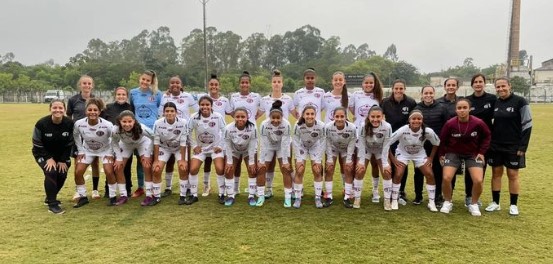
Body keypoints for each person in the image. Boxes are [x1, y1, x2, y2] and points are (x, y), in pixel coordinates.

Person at [485, 77, 532, 216]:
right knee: (496, 173)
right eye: (498, 87)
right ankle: (495, 203)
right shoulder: (496, 102)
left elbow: (527, 125)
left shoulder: (520, 101)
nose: (500, 89)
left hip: (514, 145)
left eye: (503, 86)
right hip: (496, 145)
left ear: (509, 86)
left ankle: (513, 204)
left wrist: (522, 147)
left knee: (512, 174)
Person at [439, 99, 491, 216]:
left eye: (464, 108)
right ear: (456, 110)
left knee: (478, 180)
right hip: (453, 153)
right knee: (447, 177)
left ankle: (473, 204)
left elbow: (487, 136)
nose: (462, 110)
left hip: (472, 154)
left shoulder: (478, 123)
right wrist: (441, 154)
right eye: (459, 108)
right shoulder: (450, 123)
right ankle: (447, 201)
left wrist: (481, 152)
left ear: (469, 109)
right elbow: (442, 140)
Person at [383, 110, 440, 212]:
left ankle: (431, 202)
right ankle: (394, 200)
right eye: (414, 119)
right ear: (409, 120)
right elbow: (387, 142)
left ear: (422, 120)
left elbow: (437, 143)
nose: (416, 121)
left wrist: (430, 157)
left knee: (429, 174)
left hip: (419, 154)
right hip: (403, 153)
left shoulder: (427, 131)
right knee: (399, 173)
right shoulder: (403, 130)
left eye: (419, 119)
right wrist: (393, 159)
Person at [158, 76, 198, 198]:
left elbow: (197, 111)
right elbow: (160, 113)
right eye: (172, 82)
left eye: (177, 82)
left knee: (186, 161)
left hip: (184, 133)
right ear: (169, 84)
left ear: (181, 84)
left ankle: (188, 187)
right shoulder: (165, 97)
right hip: (169, 133)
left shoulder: (188, 96)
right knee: (169, 161)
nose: (175, 84)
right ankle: (168, 187)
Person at [32, 99, 74, 214]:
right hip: (42, 154)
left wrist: (62, 160)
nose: (57, 110)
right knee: (51, 171)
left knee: (62, 172)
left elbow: (70, 143)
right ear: (50, 109)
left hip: (61, 155)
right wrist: (48, 158)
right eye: (55, 108)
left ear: (64, 110)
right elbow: (36, 143)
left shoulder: (69, 123)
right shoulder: (41, 123)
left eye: (60, 108)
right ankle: (52, 204)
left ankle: (50, 197)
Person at [73, 98, 116, 208]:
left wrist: (110, 153)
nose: (92, 112)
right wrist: (81, 150)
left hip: (105, 150)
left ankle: (112, 197)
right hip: (87, 150)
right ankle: (83, 197)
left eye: (95, 110)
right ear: (86, 111)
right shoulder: (79, 124)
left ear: (99, 112)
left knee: (109, 171)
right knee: (78, 171)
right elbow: (76, 136)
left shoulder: (107, 125)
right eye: (90, 110)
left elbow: (114, 138)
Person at [258, 70, 294, 199]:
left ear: (282, 84)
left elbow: (295, 114)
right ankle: (268, 189)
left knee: (286, 164)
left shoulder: (288, 99)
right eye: (274, 82)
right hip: (269, 137)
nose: (276, 84)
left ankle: (293, 190)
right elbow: (258, 115)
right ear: (271, 84)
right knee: (269, 165)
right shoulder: (265, 99)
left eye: (279, 82)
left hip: (284, 136)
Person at [349, 72, 383, 203]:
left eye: (371, 83)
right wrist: (359, 120)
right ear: (362, 84)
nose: (368, 85)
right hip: (359, 133)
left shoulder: (378, 96)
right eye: (366, 82)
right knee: (358, 162)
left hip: (374, 133)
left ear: (374, 84)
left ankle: (375, 190)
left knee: (374, 163)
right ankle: (353, 189)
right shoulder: (356, 95)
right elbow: (352, 109)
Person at [381, 79, 417, 205]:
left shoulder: (411, 102)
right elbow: (379, 117)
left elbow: (414, 119)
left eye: (401, 88)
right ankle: (389, 190)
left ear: (404, 89)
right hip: (389, 138)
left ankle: (400, 191)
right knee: (389, 164)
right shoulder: (385, 102)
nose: (398, 91)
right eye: (396, 88)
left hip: (404, 139)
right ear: (392, 89)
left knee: (402, 165)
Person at [67, 75, 101, 200]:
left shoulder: (96, 100)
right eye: (84, 83)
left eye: (89, 83)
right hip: (78, 136)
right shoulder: (73, 100)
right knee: (78, 162)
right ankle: (78, 190)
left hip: (93, 135)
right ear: (80, 85)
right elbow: (69, 116)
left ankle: (95, 190)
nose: (86, 85)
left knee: (95, 162)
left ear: (92, 85)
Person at [413, 85, 449, 206]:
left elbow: (446, 127)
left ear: (434, 94)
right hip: (420, 146)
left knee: (437, 171)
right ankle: (418, 196)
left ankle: (437, 196)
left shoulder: (442, 107)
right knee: (418, 171)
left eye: (430, 93)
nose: (428, 95)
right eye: (426, 93)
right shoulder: (417, 108)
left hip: (437, 146)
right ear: (421, 94)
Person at [129, 70, 162, 198]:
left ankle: (154, 186)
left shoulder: (157, 94)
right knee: (140, 160)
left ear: (152, 82)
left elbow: (158, 109)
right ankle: (141, 187)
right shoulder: (133, 93)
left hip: (152, 131)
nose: (145, 82)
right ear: (140, 78)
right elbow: (131, 110)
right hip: (138, 132)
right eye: (143, 79)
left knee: (153, 160)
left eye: (148, 80)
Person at [464, 73, 496, 206]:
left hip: (485, 140)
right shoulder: (467, 100)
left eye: (480, 81)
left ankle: (476, 196)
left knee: (481, 167)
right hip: (470, 139)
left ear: (484, 83)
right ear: (472, 85)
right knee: (469, 168)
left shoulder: (492, 99)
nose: (478, 84)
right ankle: (468, 196)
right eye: (475, 82)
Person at [228, 71, 262, 195]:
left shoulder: (256, 96)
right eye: (242, 82)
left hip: (251, 134)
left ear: (250, 84)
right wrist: (239, 119)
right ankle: (235, 189)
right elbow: (230, 111)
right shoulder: (234, 97)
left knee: (251, 163)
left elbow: (262, 110)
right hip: (236, 132)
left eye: (246, 82)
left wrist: (251, 119)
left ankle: (254, 190)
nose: (244, 84)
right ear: (239, 84)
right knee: (235, 163)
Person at [188, 96, 226, 204]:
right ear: (199, 106)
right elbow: (188, 132)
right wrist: (194, 146)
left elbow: (225, 131)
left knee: (219, 168)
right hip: (201, 150)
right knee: (193, 169)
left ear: (211, 106)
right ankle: (194, 195)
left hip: (215, 149)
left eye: (207, 105)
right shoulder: (194, 117)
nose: (205, 107)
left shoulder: (217, 116)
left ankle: (222, 194)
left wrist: (220, 146)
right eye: (202, 105)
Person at [111, 111, 155, 206]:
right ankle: (123, 195)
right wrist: (118, 158)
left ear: (134, 121)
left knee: (146, 166)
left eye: (130, 121)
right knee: (118, 167)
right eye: (124, 122)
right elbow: (114, 142)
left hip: (142, 143)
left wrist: (147, 154)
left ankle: (149, 195)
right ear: (120, 121)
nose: (127, 124)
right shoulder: (115, 130)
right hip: (126, 144)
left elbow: (154, 137)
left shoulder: (142, 128)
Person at [321, 72, 351, 203]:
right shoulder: (325, 96)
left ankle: (347, 192)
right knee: (329, 166)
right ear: (332, 81)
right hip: (330, 137)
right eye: (336, 80)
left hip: (345, 137)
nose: (338, 82)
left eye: (340, 80)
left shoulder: (350, 96)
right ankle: (328, 194)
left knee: (346, 166)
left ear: (344, 81)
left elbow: (355, 113)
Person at [152, 102, 191, 205]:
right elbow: (156, 142)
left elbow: (183, 142)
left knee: (183, 168)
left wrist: (182, 160)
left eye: (172, 111)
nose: (169, 113)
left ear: (176, 112)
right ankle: (156, 197)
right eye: (167, 111)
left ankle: (182, 196)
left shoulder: (183, 122)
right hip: (164, 148)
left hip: (179, 148)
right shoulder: (157, 123)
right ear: (163, 112)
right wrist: (156, 160)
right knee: (156, 169)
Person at [200, 74, 232, 197]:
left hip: (221, 137)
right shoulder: (203, 99)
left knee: (221, 163)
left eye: (216, 85)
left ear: (219, 86)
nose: (214, 86)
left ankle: (223, 188)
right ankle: (206, 185)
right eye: (211, 84)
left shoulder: (224, 100)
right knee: (207, 161)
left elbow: (231, 112)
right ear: (208, 86)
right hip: (206, 137)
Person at [257, 100, 293, 207]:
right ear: (269, 117)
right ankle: (260, 196)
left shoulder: (286, 124)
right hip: (269, 145)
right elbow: (263, 143)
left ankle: (287, 197)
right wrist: (261, 161)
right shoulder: (264, 124)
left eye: (278, 118)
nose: (276, 120)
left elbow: (286, 144)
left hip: (282, 146)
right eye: (273, 118)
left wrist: (285, 162)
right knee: (262, 169)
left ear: (282, 117)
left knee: (285, 169)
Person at [357, 106, 393, 210]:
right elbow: (362, 144)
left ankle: (385, 199)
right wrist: (361, 161)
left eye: (378, 116)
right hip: (367, 149)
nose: (375, 119)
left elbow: (386, 145)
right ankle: (357, 198)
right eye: (373, 116)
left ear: (382, 117)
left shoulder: (387, 126)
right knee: (360, 170)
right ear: (368, 117)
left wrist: (386, 163)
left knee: (386, 172)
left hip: (380, 150)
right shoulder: (363, 126)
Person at [102, 87, 133, 196]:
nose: (121, 96)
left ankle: (127, 188)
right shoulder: (108, 107)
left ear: (127, 96)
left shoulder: (130, 107)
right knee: (110, 166)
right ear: (115, 95)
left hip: (126, 141)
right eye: (119, 94)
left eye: (123, 94)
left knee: (126, 166)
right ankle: (109, 190)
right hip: (111, 140)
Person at [292, 106, 326, 209]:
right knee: (299, 170)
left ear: (315, 115)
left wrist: (318, 159)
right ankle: (298, 198)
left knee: (317, 170)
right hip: (301, 146)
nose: (310, 116)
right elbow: (295, 142)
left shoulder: (321, 126)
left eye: (312, 114)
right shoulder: (298, 125)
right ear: (303, 115)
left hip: (315, 146)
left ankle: (317, 197)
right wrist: (299, 160)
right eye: (307, 114)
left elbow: (323, 142)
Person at [224, 107, 258, 206]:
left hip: (248, 151)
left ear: (247, 117)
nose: (240, 119)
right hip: (234, 151)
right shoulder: (228, 128)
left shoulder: (252, 128)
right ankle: (231, 195)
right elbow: (227, 145)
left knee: (252, 170)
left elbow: (252, 145)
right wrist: (229, 161)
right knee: (229, 169)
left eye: (243, 117)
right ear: (234, 117)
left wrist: (251, 162)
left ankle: (251, 196)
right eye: (237, 116)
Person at [324, 107, 357, 208]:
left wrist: (348, 160)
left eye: (342, 116)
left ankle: (347, 196)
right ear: (333, 117)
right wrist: (329, 159)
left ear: (346, 117)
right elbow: (328, 142)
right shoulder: (328, 127)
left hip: (346, 148)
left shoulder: (352, 127)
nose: (339, 119)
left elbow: (352, 143)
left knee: (348, 169)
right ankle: (328, 195)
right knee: (329, 169)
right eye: (337, 116)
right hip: (333, 148)